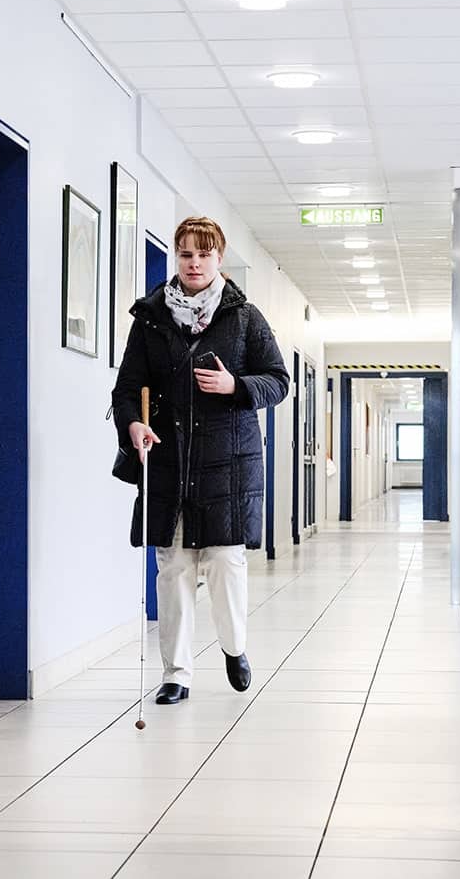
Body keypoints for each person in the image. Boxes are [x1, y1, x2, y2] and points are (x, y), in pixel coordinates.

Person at [112, 216, 290, 704]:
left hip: (227, 464)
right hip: (168, 461)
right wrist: (133, 425)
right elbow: (126, 389)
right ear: (177, 257)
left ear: (219, 259)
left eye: (203, 255)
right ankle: (177, 673)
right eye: (186, 254)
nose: (194, 263)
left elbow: (278, 380)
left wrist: (237, 387)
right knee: (173, 570)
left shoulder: (244, 317)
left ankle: (234, 648)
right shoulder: (151, 318)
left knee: (226, 563)